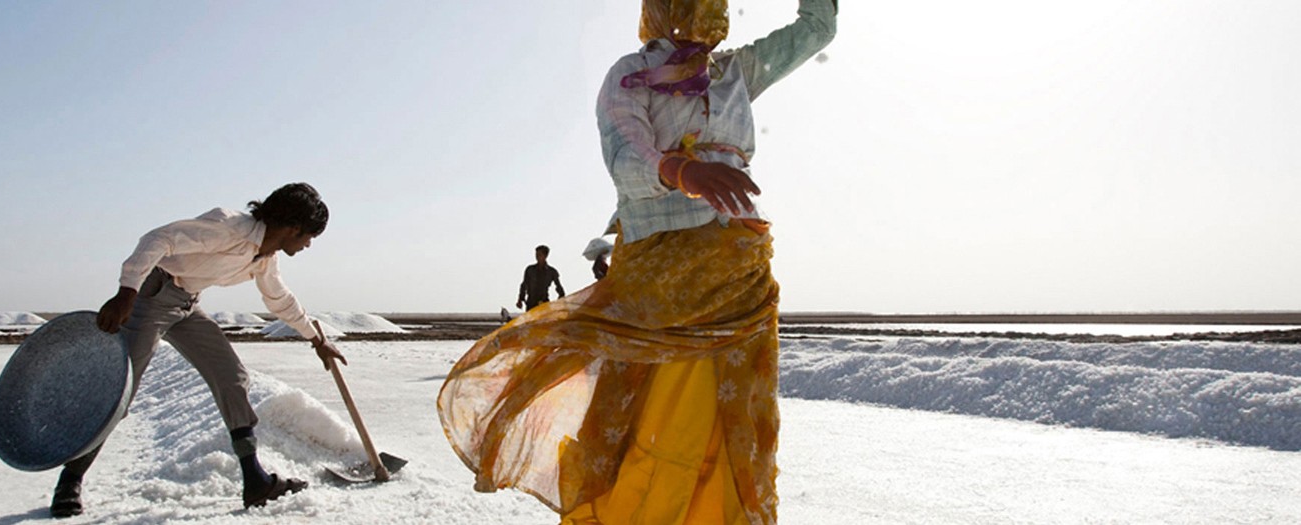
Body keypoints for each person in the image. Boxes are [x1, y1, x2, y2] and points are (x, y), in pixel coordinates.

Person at [438, 1, 835, 524]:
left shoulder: (737, 69)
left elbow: (817, 29)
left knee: (737, 410)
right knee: (650, 408)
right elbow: (625, 155)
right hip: (659, 267)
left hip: (739, 268)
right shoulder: (632, 73)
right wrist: (682, 172)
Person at [50, 182, 348, 518]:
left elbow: (280, 299)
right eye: (308, 236)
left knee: (232, 378)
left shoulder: (264, 258)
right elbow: (157, 239)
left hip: (186, 305)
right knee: (121, 389)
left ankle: (255, 481)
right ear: (293, 227)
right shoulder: (229, 228)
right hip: (153, 297)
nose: (308, 244)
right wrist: (126, 292)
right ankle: (70, 480)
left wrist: (317, 340)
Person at [516, 245, 565, 311]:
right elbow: (524, 285)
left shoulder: (551, 272)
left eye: (539, 255)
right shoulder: (530, 270)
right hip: (531, 303)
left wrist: (561, 299)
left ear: (545, 256)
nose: (537, 257)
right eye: (536, 255)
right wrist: (520, 299)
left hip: (544, 303)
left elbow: (559, 287)